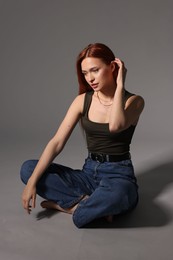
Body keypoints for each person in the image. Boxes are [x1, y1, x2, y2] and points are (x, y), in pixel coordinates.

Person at [20, 43, 144, 228]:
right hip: (88, 174)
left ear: (112, 67)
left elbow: (116, 126)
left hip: (118, 176)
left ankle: (71, 207)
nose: (90, 79)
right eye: (85, 73)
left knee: (120, 194)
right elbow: (57, 142)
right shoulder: (82, 101)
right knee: (29, 169)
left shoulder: (134, 101)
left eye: (94, 70)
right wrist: (31, 182)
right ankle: (90, 207)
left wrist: (120, 85)